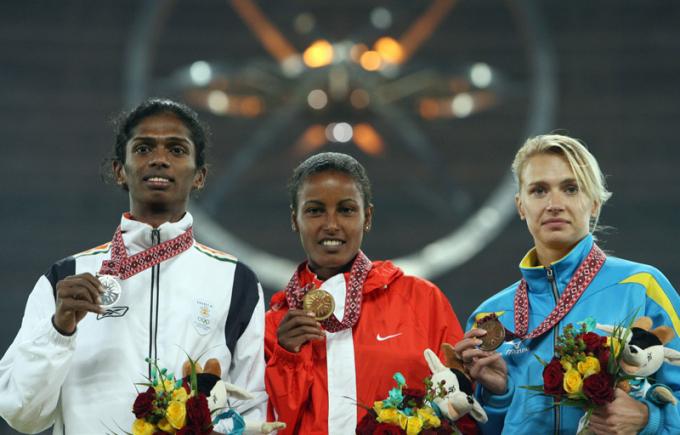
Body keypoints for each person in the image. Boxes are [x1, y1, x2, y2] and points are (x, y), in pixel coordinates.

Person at [0, 99, 266, 434]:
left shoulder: (235, 282)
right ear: (119, 171)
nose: (159, 159)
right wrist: (59, 330)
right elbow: (21, 414)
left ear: (199, 176)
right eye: (142, 148)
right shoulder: (66, 279)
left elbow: (253, 410)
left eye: (176, 149)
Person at [454, 134, 680, 434]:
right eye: (539, 190)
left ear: (595, 203)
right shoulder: (491, 316)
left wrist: (648, 419)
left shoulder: (640, 287)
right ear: (521, 206)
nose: (554, 204)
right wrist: (499, 395)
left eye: (571, 189)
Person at [264, 152, 465, 434]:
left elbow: (461, 407)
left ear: (367, 216)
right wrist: (287, 357)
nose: (331, 224)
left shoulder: (421, 300)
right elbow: (270, 425)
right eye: (314, 210)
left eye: (346, 210)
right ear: (295, 219)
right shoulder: (274, 325)